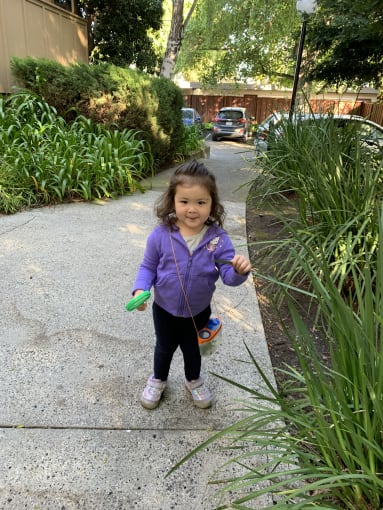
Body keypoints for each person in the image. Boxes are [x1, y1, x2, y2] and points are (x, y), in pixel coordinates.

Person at [131, 160, 252, 410]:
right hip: (164, 309)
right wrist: (140, 290)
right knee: (163, 347)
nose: (192, 209)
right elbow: (148, 268)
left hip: (198, 311)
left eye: (201, 202)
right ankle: (158, 380)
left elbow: (228, 276)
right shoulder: (161, 235)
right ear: (172, 201)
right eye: (184, 201)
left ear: (212, 203)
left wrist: (239, 272)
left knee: (193, 350)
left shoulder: (218, 240)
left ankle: (193, 380)